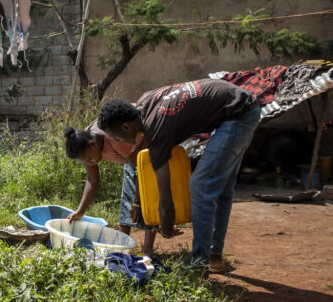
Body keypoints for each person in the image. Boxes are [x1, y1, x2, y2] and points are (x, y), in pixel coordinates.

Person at [97, 79, 259, 272]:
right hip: (238, 106)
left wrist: (165, 230)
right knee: (222, 188)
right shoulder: (145, 103)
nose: (117, 141)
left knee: (200, 185)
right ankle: (214, 256)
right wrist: (140, 205)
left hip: (238, 114)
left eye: (115, 137)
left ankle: (200, 263)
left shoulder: (156, 131)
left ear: (125, 127)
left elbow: (166, 199)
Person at [62, 123, 161, 253]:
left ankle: (148, 250)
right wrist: (80, 211)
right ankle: (121, 248)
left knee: (147, 201)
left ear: (93, 144)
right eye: (85, 162)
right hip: (132, 157)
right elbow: (92, 181)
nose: (89, 163)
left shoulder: (114, 138)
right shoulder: (83, 142)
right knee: (127, 203)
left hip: (150, 147)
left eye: (90, 159)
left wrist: (137, 203)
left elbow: (140, 171)